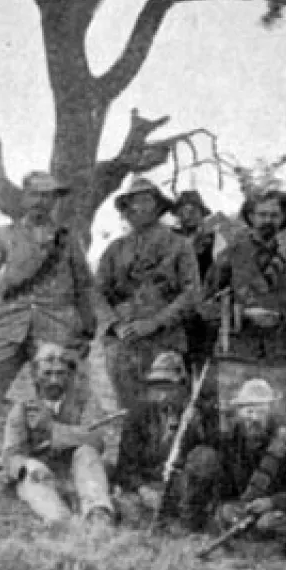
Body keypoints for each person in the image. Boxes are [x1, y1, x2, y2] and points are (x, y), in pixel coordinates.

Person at [0, 171, 95, 468]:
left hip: (56, 325)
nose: (42, 202)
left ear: (55, 201)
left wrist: (85, 330)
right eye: (36, 195)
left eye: (49, 196)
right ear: (24, 198)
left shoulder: (68, 239)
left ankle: (58, 462)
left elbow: (83, 285)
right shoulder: (6, 235)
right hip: (10, 323)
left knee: (61, 393)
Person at [96, 175, 201, 414]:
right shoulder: (115, 249)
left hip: (165, 341)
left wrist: (154, 323)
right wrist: (115, 325)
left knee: (168, 412)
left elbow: (192, 292)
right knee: (131, 414)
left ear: (158, 206)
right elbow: (96, 294)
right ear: (126, 207)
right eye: (134, 201)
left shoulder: (179, 245)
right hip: (124, 345)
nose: (140, 207)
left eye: (147, 200)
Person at [202, 189, 286, 414]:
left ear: (282, 220)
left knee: (280, 419)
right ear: (250, 217)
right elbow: (204, 304)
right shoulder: (230, 256)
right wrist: (241, 314)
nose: (267, 220)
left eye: (274, 215)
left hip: (280, 353)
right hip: (237, 353)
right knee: (232, 419)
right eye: (262, 214)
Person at [0, 342, 114, 530]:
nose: (54, 381)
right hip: (41, 476)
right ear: (35, 375)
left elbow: (96, 440)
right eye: (47, 373)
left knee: (87, 453)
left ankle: (97, 513)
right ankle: (61, 522)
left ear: (70, 375)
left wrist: (52, 429)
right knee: (51, 509)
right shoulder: (23, 408)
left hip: (80, 472)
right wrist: (28, 464)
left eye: (60, 374)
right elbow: (10, 455)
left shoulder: (85, 401)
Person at [179, 378, 286, 543]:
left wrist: (272, 502)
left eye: (260, 411)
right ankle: (196, 526)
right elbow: (195, 451)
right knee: (205, 462)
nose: (254, 418)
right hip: (244, 507)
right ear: (240, 413)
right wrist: (191, 424)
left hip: (277, 511)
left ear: (270, 412)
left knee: (267, 524)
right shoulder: (230, 439)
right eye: (249, 411)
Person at [113, 351, 213, 527]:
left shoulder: (198, 415)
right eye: (157, 387)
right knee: (130, 510)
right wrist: (144, 490)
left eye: (168, 387)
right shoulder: (138, 415)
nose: (162, 394)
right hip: (146, 486)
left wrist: (196, 429)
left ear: (182, 387)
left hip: (182, 487)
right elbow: (126, 466)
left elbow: (207, 459)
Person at [173, 190, 219, 374]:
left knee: (203, 355)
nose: (189, 216)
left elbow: (219, 270)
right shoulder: (170, 240)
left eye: (194, 211)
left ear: (202, 214)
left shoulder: (213, 239)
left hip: (203, 304)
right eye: (183, 211)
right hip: (174, 304)